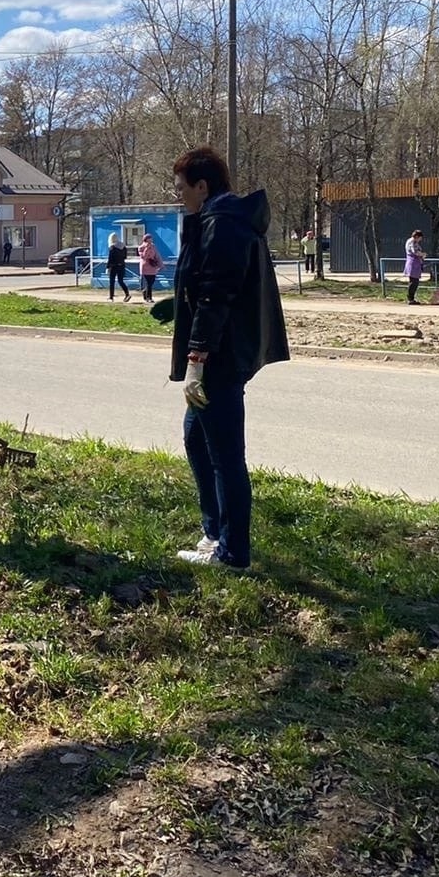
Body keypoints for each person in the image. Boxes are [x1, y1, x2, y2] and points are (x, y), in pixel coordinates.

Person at [160, 147, 289, 570]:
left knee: (226, 456)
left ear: (203, 186)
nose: (179, 196)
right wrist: (177, 303)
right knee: (197, 439)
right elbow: (210, 286)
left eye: (182, 189)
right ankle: (215, 533)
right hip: (224, 350)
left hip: (220, 357)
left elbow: (216, 297)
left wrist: (196, 361)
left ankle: (233, 553)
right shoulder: (223, 221)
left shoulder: (222, 224)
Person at [138, 233, 165, 302]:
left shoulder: (153, 246)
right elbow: (144, 256)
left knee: (152, 281)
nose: (150, 239)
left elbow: (157, 255)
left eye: (151, 238)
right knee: (148, 283)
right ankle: (149, 298)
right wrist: (147, 248)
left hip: (152, 266)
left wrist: (161, 265)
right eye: (149, 238)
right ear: (145, 239)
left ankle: (145, 291)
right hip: (145, 266)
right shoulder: (141, 247)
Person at [106, 234, 131, 301]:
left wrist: (108, 267)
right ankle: (127, 294)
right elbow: (125, 256)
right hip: (122, 265)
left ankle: (111, 297)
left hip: (113, 266)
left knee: (112, 281)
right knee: (121, 281)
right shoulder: (123, 246)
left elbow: (110, 258)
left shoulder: (112, 247)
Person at [404, 229, 426, 305]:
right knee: (413, 282)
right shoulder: (412, 242)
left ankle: (411, 298)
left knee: (415, 281)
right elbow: (415, 252)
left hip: (415, 263)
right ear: (417, 236)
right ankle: (410, 298)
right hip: (413, 263)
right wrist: (422, 254)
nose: (420, 240)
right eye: (420, 238)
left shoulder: (412, 241)